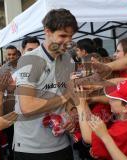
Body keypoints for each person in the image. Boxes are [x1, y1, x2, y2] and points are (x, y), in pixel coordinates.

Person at [13, 8, 78, 160]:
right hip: (31, 148)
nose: (68, 41)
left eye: (71, 36)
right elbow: (27, 107)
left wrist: (71, 114)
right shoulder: (29, 60)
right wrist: (63, 97)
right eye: (62, 35)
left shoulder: (68, 60)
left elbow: (69, 98)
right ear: (47, 31)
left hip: (61, 143)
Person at [75, 78, 127, 160]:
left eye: (113, 99)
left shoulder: (125, 129)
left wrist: (79, 106)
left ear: (125, 108)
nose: (109, 100)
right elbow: (92, 126)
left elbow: (88, 137)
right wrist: (84, 103)